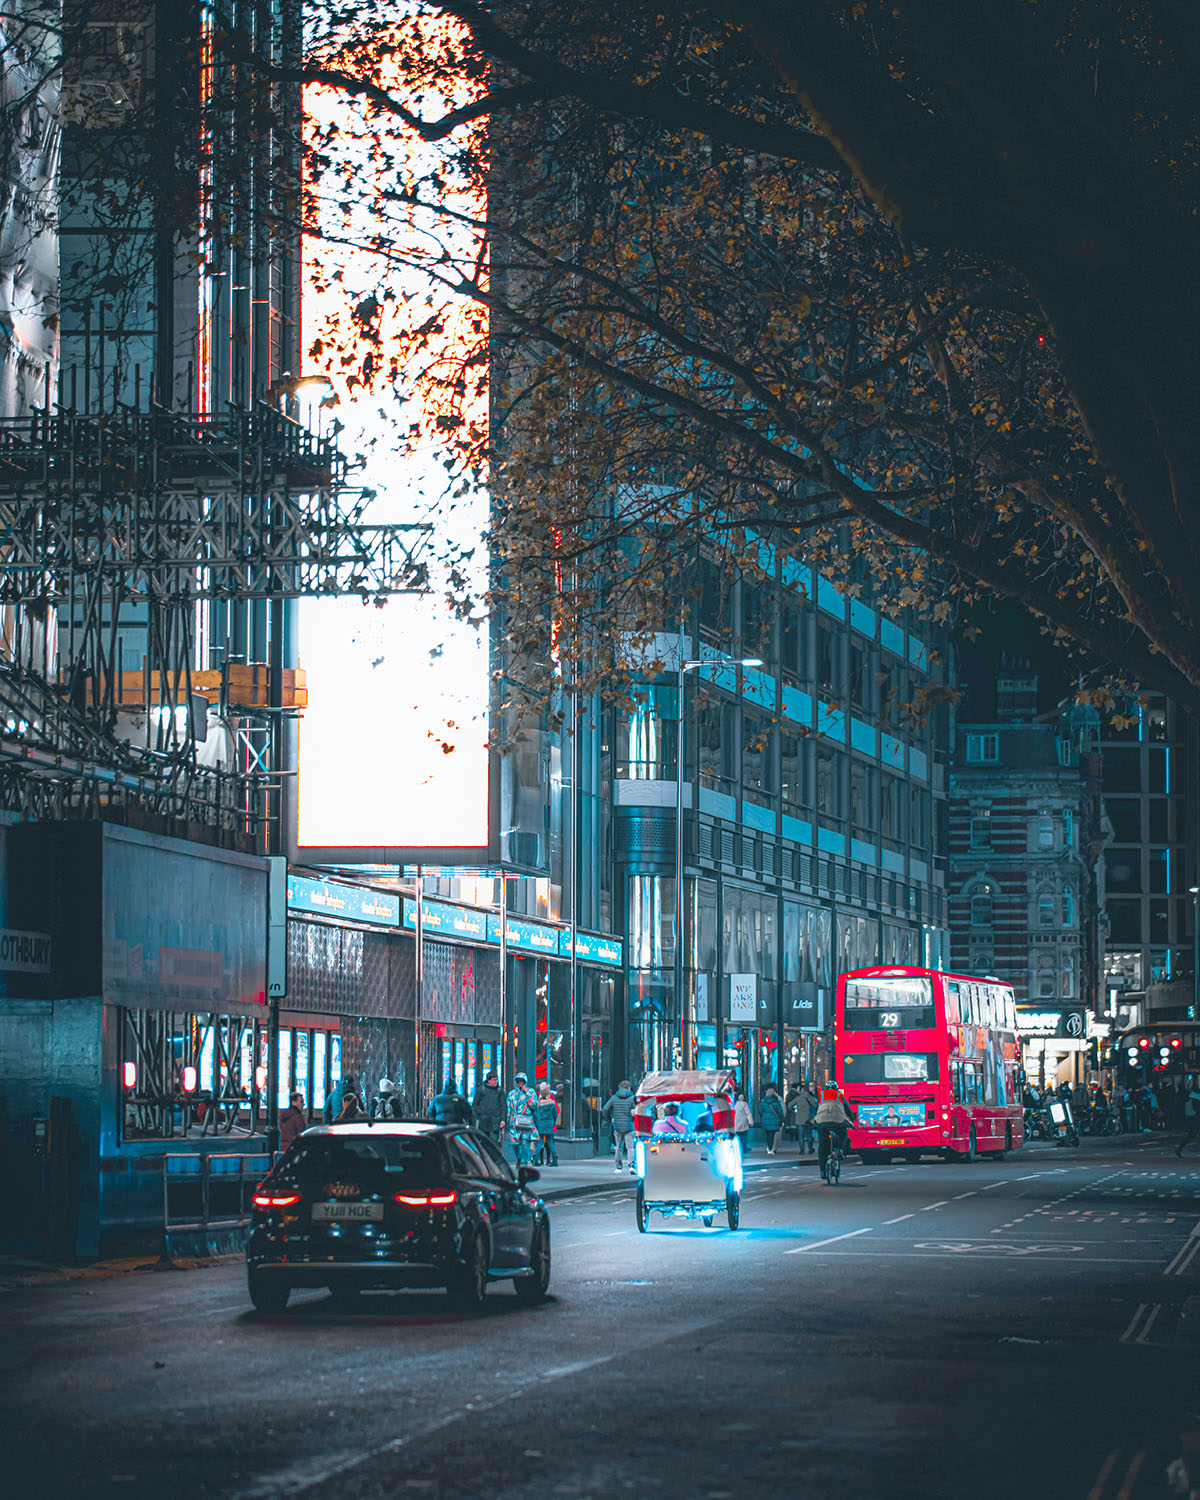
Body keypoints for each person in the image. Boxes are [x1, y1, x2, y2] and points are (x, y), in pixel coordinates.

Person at [814, 1085, 856, 1180]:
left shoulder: (821, 1095)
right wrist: (851, 1120)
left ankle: (822, 1171)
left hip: (822, 1121)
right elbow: (847, 1109)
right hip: (837, 1121)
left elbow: (816, 1109)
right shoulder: (839, 1095)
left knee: (822, 1146)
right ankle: (840, 1149)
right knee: (843, 1133)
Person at [602, 1079, 638, 1173]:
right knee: (630, 1147)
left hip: (617, 1126)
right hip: (629, 1126)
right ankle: (631, 1166)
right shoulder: (632, 1098)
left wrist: (609, 1118)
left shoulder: (614, 1098)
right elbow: (636, 1111)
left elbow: (605, 1109)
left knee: (618, 1147)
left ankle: (618, 1167)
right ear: (629, 1088)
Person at [506, 1072, 538, 1165]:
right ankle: (519, 1158)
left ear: (525, 1082)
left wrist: (526, 1093)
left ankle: (526, 1160)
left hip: (525, 1120)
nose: (520, 1083)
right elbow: (508, 1107)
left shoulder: (531, 1092)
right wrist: (507, 1120)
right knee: (515, 1143)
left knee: (525, 1142)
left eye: (522, 1081)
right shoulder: (511, 1094)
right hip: (513, 1121)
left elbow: (533, 1105)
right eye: (518, 1081)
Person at [532, 1082, 561, 1165]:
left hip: (541, 1125)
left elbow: (536, 1115)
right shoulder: (552, 1102)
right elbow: (555, 1114)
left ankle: (535, 1159)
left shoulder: (538, 1104)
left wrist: (537, 1124)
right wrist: (552, 1122)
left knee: (540, 1142)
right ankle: (554, 1158)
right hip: (549, 1124)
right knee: (550, 1142)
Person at [471, 1072, 506, 1140]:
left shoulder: (499, 1090)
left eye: (496, 1079)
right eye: (494, 1080)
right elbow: (475, 1104)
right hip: (484, 1121)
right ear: (489, 1081)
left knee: (494, 1142)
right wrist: (481, 1113)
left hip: (495, 1121)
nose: (496, 1081)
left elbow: (503, 1106)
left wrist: (503, 1120)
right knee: (483, 1142)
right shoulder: (481, 1090)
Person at [1175, 1078, 1200, 1157]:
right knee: (1193, 1134)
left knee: (1192, 1134)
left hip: (1195, 1116)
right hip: (1196, 1116)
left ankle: (1179, 1149)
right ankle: (1179, 1149)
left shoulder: (1191, 1095)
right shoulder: (1193, 1095)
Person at [760, 1084, 786, 1156]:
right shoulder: (776, 1101)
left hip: (766, 1120)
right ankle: (771, 1148)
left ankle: (769, 1147)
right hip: (774, 1120)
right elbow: (780, 1111)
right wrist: (782, 1120)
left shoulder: (763, 1101)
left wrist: (763, 1117)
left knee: (768, 1135)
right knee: (772, 1135)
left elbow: (760, 1111)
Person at [733, 1091, 753, 1156]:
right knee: (744, 1136)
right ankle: (743, 1148)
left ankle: (738, 1148)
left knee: (738, 1136)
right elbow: (748, 1113)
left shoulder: (733, 1104)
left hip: (736, 1122)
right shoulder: (744, 1104)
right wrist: (751, 1121)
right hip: (743, 1122)